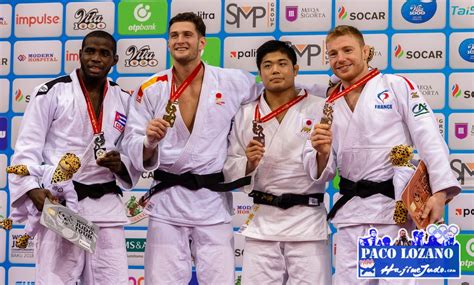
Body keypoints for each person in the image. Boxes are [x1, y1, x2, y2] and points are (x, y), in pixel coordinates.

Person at [122, 12, 330, 284]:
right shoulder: (150, 88)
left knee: (220, 278)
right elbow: (131, 144)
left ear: (202, 42)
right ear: (168, 42)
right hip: (167, 203)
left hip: (212, 201)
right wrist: (148, 142)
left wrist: (332, 89)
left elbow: (277, 88)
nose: (180, 40)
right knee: (161, 278)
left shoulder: (232, 81)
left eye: (187, 35)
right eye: (174, 36)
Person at [303, 25, 461, 285]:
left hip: (395, 211)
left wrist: (440, 193)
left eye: (347, 50)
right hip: (352, 213)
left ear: (366, 52)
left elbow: (430, 138)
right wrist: (322, 152)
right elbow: (324, 170)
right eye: (332, 54)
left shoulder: (395, 85)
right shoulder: (328, 103)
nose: (340, 58)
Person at [8, 31, 139, 285]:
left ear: (114, 60)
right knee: (57, 280)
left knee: (112, 280)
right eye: (90, 51)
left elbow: (133, 154)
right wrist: (32, 189)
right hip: (61, 205)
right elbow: (27, 149)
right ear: (79, 55)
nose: (96, 58)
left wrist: (121, 165)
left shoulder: (124, 99)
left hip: (106, 207)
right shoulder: (51, 93)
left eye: (104, 53)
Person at [223, 40, 331, 284]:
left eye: (282, 64)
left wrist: (323, 154)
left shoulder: (320, 108)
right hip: (263, 223)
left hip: (307, 223)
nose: (275, 70)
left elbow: (331, 169)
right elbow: (230, 168)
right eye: (267, 65)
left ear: (295, 69)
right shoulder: (246, 113)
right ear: (260, 73)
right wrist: (249, 164)